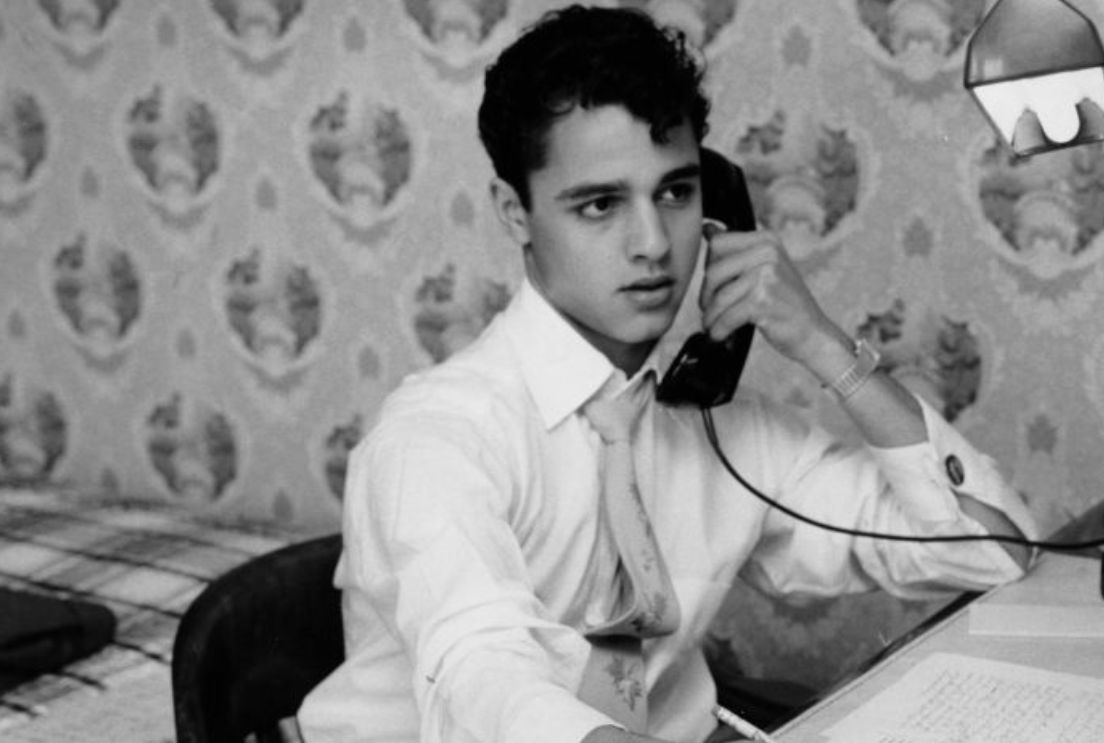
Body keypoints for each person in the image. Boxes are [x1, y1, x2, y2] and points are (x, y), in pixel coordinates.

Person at [297, 6, 1037, 743]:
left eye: (676, 192)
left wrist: (823, 346)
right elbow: (482, 672)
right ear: (513, 211)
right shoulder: (437, 437)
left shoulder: (721, 433)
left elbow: (995, 554)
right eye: (599, 204)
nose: (652, 243)